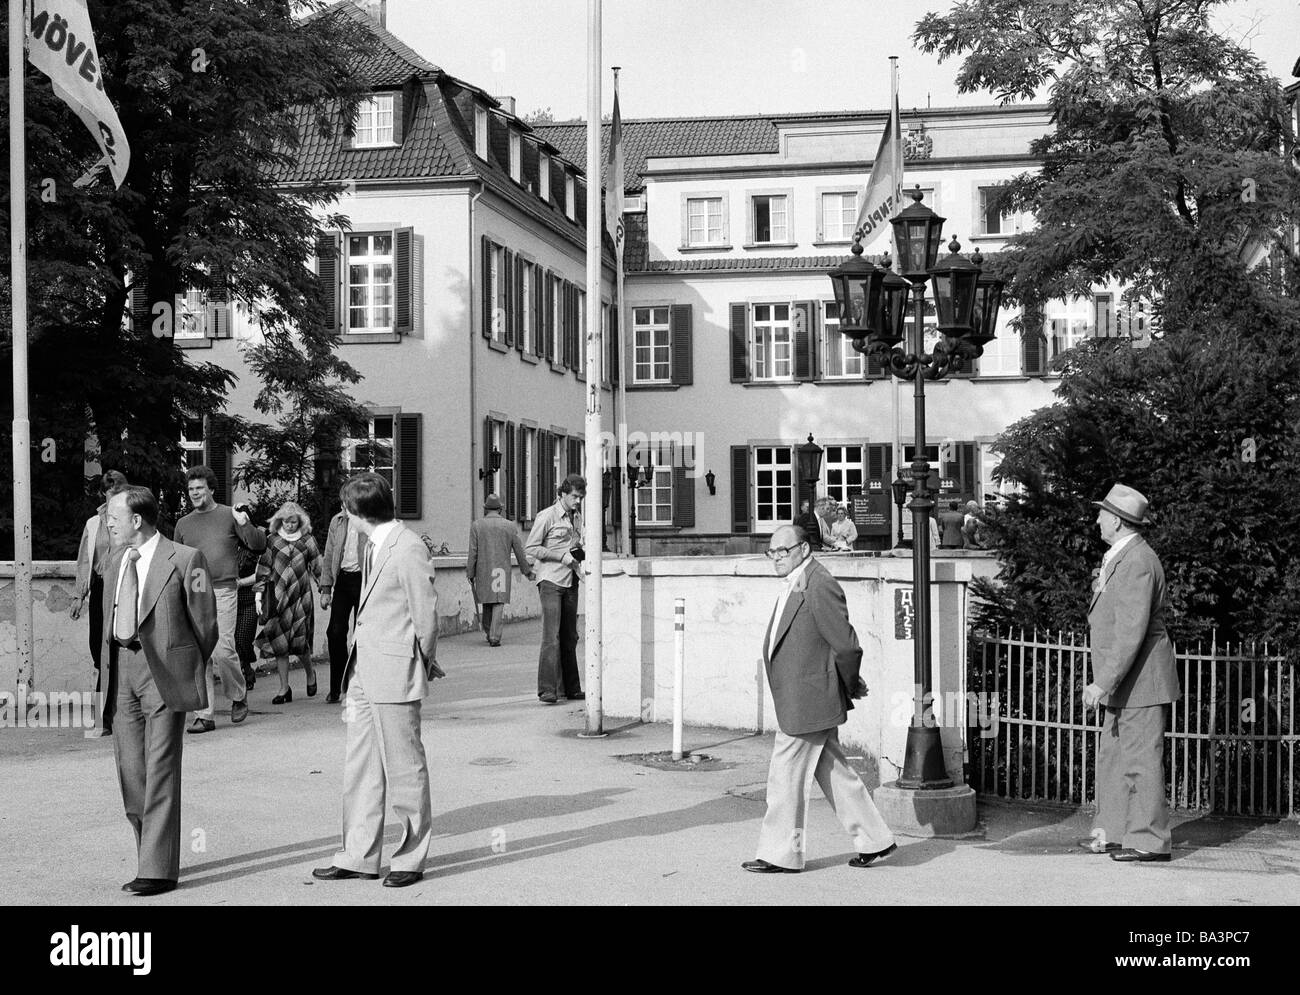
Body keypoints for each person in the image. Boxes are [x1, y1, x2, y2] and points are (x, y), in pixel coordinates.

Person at [742, 524, 897, 874]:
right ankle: (877, 841)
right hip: (805, 697)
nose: (777, 557)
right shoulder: (799, 581)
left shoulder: (819, 582)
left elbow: (845, 643)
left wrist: (849, 682)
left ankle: (782, 854)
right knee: (835, 773)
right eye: (772, 552)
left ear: (805, 549)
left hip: (808, 699)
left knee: (785, 777)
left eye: (784, 550)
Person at [312, 473, 440, 888]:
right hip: (362, 670)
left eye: (345, 510)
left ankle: (409, 858)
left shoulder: (407, 548)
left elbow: (426, 617)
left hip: (396, 669)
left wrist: (420, 662)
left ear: (355, 512)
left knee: (404, 765)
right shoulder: (373, 545)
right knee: (361, 766)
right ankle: (358, 856)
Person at [102, 486, 217, 897]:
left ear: (137, 520)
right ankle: (147, 855)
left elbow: (205, 625)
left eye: (114, 516)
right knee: (131, 771)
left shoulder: (187, 560)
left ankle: (157, 869)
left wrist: (187, 667)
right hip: (123, 672)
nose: (109, 523)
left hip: (163, 672)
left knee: (161, 767)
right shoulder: (114, 561)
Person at [1081, 484, 1180, 863]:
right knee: (1114, 759)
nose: (1097, 519)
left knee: (1140, 761)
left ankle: (1151, 841)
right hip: (1128, 682)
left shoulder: (1138, 561)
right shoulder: (1122, 555)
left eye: (1102, 513)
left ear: (1119, 521)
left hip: (1140, 681)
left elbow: (1131, 632)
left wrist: (1103, 681)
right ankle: (1113, 833)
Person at [173, 466, 265, 732]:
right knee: (200, 655)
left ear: (211, 489)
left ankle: (238, 695)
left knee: (223, 650)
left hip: (224, 588)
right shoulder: (183, 524)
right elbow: (176, 562)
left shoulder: (229, 515)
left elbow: (259, 545)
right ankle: (204, 715)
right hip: (195, 590)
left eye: (199, 488)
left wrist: (244, 522)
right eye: (191, 489)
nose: (194, 493)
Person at [71, 470, 130, 738]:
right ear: (104, 495)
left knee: (119, 647)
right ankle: (106, 714)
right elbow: (85, 560)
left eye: (120, 491)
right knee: (98, 649)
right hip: (101, 587)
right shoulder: (94, 523)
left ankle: (107, 718)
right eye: (111, 492)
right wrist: (78, 595)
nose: (116, 496)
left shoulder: (133, 520)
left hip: (125, 587)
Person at [525, 474, 586, 704]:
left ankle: (571, 688)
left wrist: (579, 551)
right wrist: (561, 557)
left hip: (571, 579)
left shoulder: (577, 517)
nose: (578, 501)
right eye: (574, 496)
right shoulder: (547, 516)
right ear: (562, 494)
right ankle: (547, 689)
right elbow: (531, 547)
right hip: (550, 580)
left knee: (570, 636)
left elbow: (576, 544)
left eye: (580, 497)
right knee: (552, 636)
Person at [255, 501, 321, 704]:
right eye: (286, 521)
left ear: (300, 521)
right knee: (279, 643)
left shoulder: (308, 540)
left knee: (301, 644)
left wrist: (325, 589)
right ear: (279, 521)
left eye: (293, 521)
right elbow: (264, 568)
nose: (289, 525)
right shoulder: (273, 541)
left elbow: (318, 566)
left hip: (301, 598)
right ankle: (284, 689)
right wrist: (259, 595)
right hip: (278, 598)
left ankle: (310, 674)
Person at [320, 483, 371, 704]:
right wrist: (325, 589)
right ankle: (337, 686)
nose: (344, 506)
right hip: (342, 579)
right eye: (342, 502)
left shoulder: (369, 521)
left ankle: (363, 686)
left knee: (364, 635)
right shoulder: (337, 521)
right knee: (335, 632)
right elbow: (329, 553)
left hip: (364, 581)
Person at [467, 494, 533, 647]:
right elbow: (519, 551)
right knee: (498, 602)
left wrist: (470, 571)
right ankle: (495, 636)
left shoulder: (477, 525)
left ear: (485, 509)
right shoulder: (509, 526)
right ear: (500, 509)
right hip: (502, 569)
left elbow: (473, 551)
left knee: (487, 600)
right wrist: (526, 570)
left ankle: (489, 630)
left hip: (483, 569)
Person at [234, 545, 259, 692]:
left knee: (243, 638)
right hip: (230, 599)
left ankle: (246, 668)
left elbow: (261, 573)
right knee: (232, 641)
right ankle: (245, 671)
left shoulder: (253, 548)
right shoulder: (224, 546)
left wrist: (241, 582)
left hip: (249, 599)